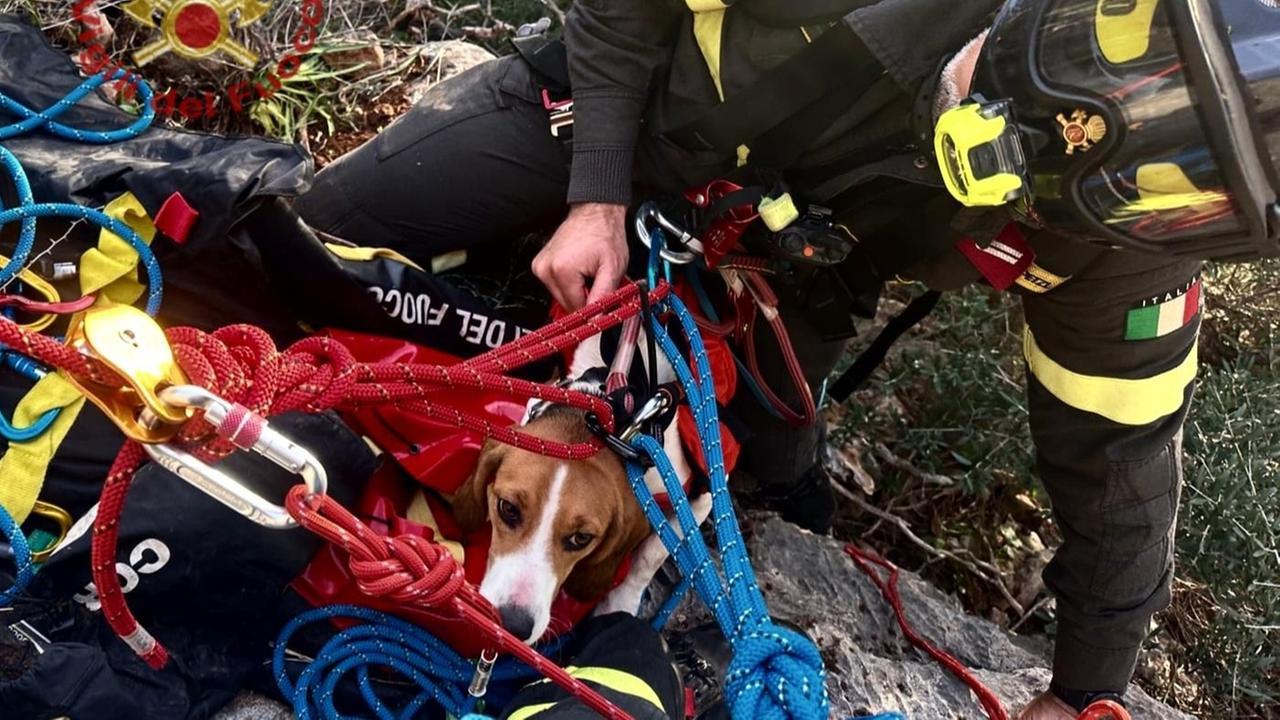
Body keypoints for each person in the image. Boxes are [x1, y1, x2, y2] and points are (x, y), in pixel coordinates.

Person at [294, 1, 1280, 718]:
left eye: (1175, 187)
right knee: (312, 238)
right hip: (623, 111)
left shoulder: (1116, 246)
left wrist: (1084, 693)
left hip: (773, 272)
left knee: (779, 482)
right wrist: (597, 191)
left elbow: (1121, 464)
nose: (1083, 161)